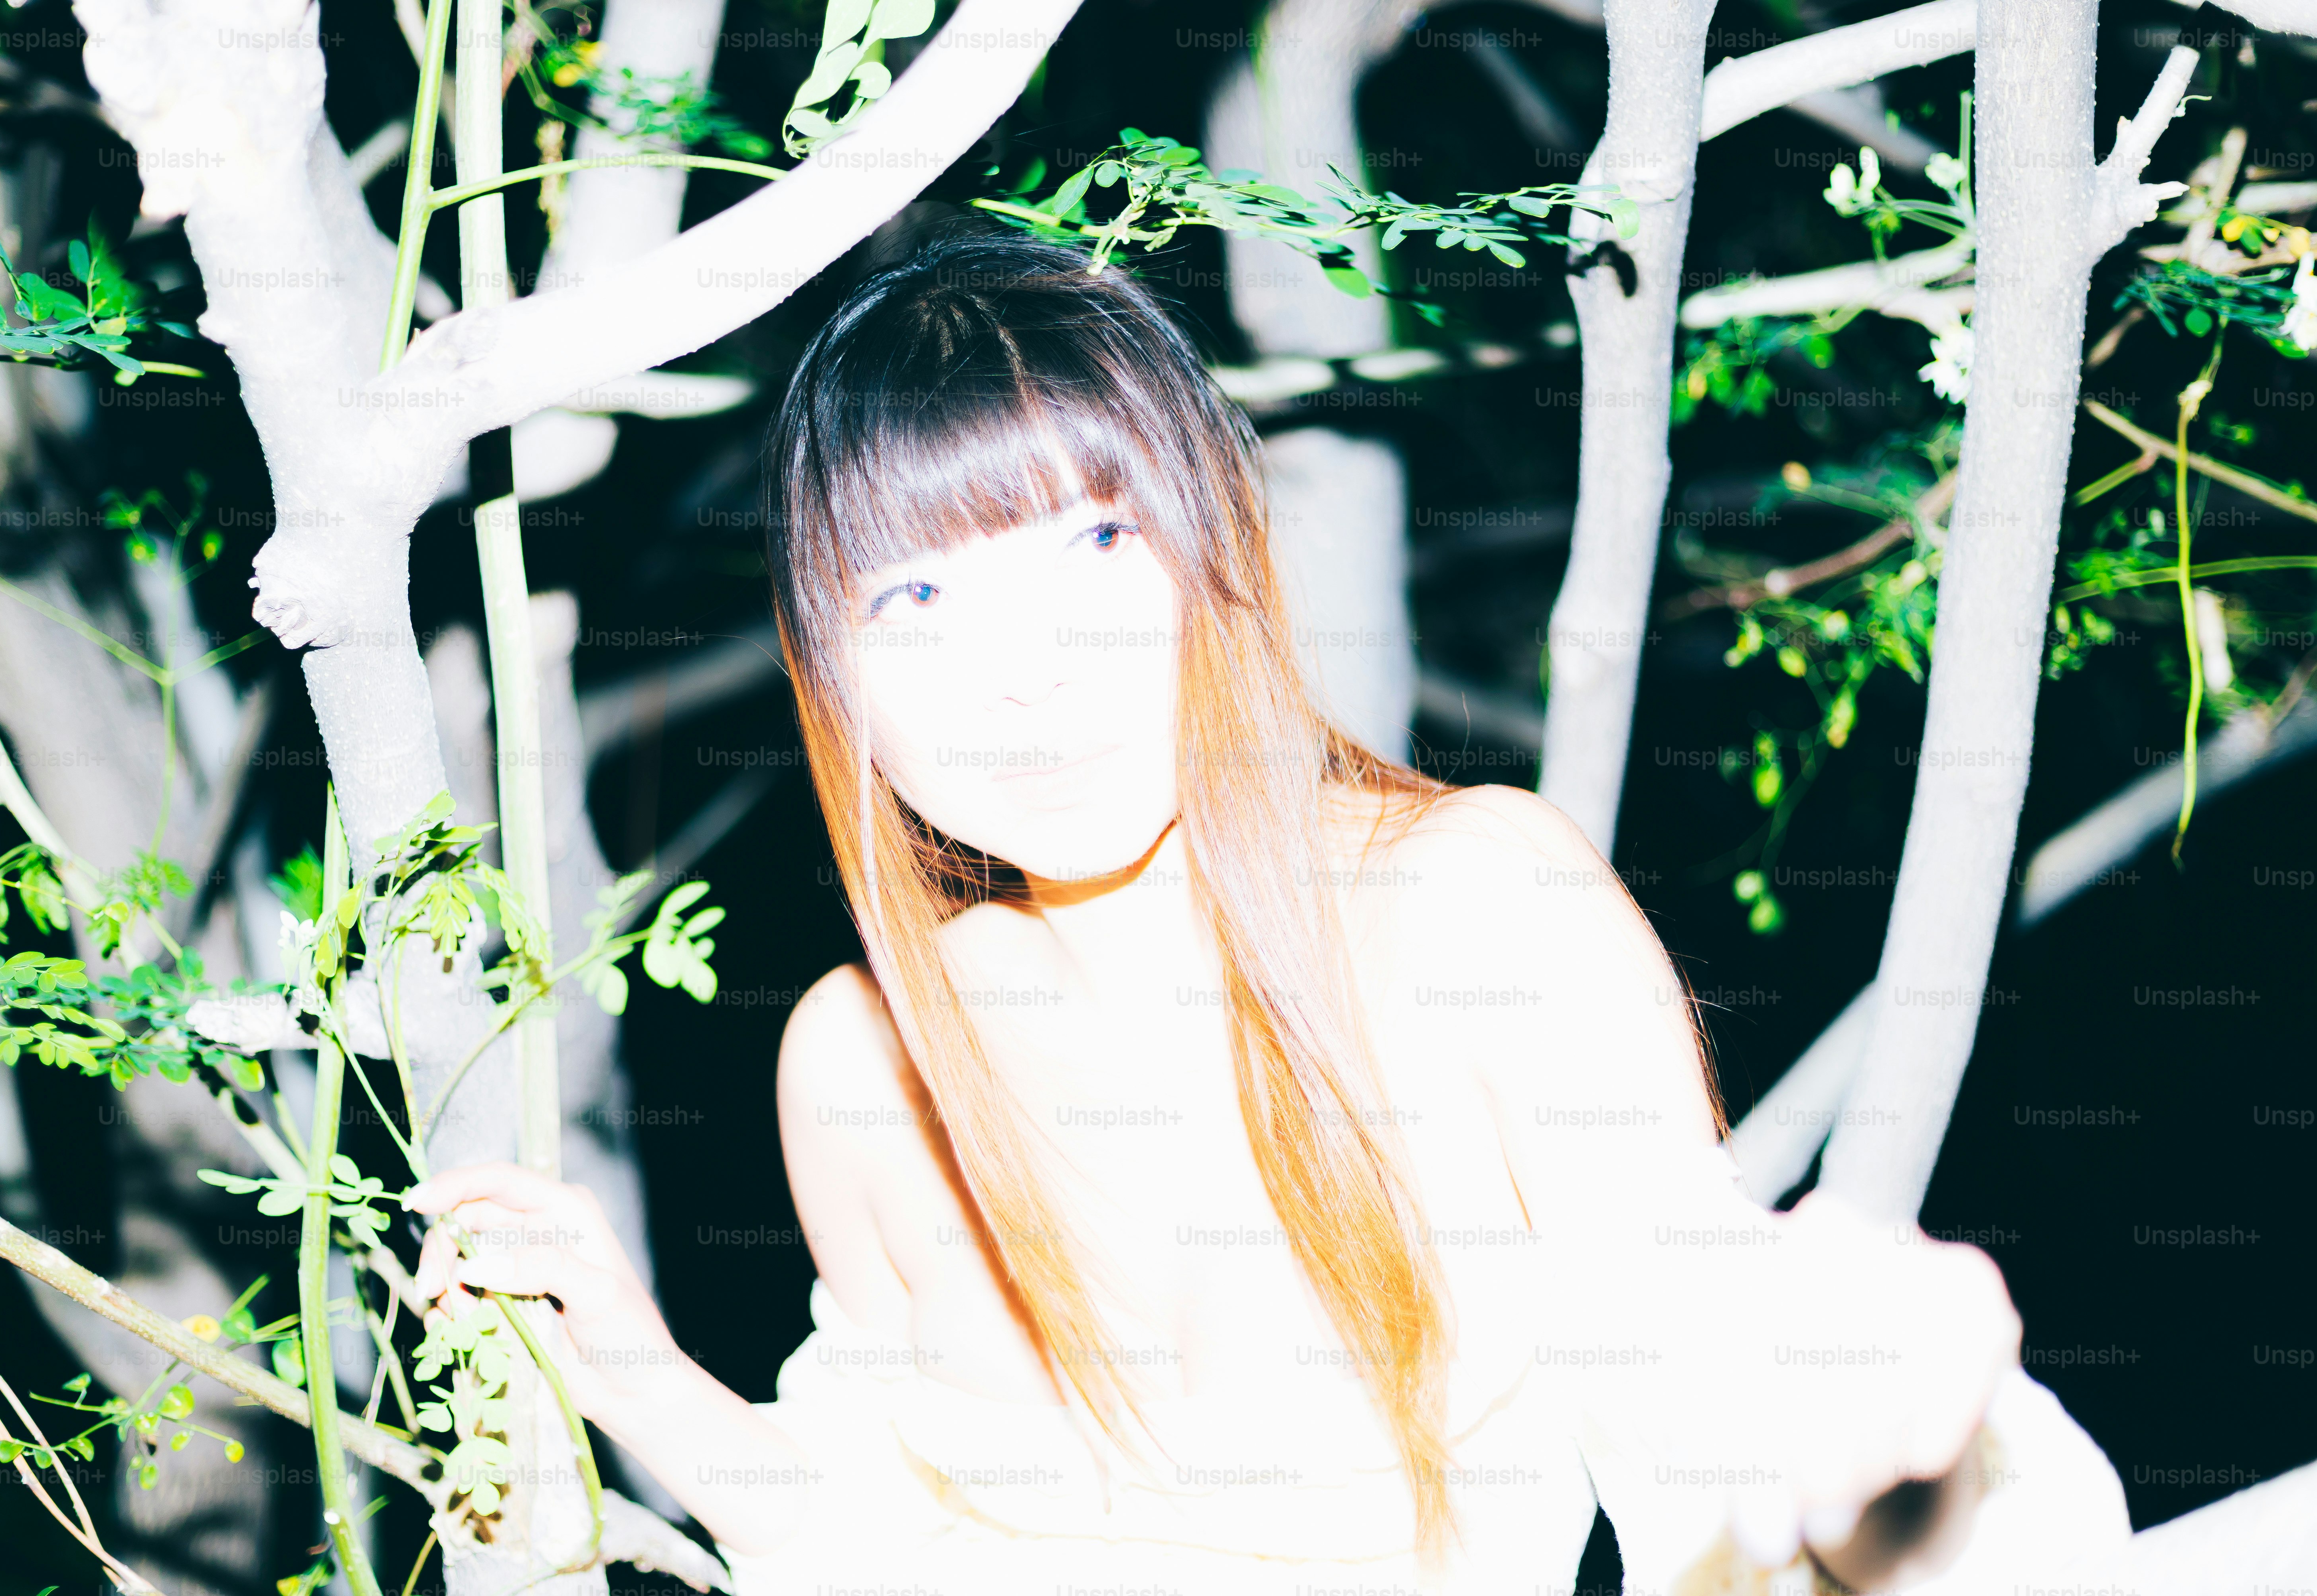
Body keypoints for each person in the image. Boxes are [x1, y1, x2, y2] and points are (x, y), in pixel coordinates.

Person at [402, 233, 2131, 1594]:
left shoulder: (1472, 914)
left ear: (1221, 550)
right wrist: (637, 1375)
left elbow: (1721, 1413)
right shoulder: (865, 1055)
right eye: (919, 596)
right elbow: (886, 1546)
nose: (1024, 677)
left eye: (1092, 548)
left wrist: (1910, 1467)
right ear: (833, 674)